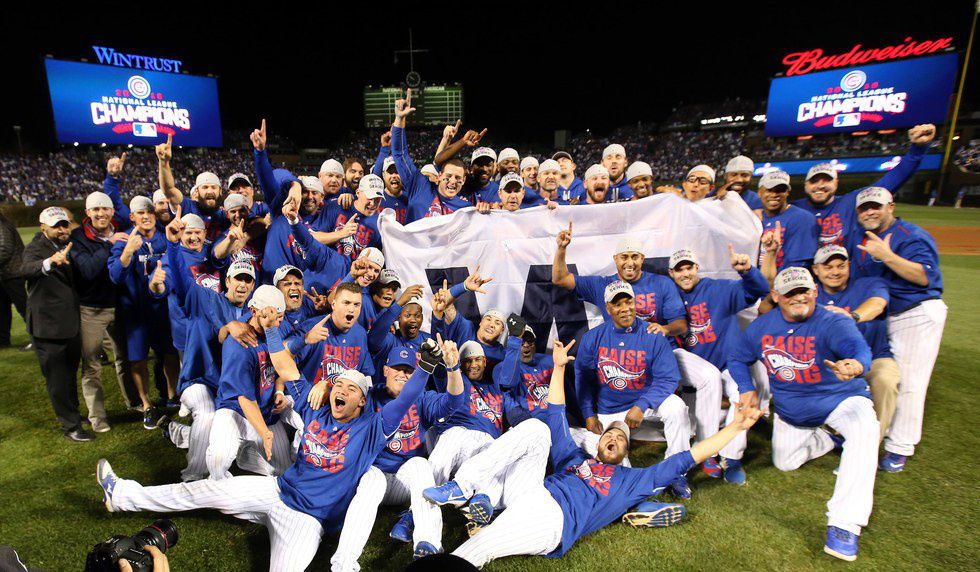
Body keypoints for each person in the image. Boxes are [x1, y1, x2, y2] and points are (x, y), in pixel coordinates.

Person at [96, 306, 451, 572]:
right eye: (338, 385)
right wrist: (270, 331)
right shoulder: (315, 408)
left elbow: (406, 398)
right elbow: (285, 367)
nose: (341, 390)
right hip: (275, 491)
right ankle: (122, 495)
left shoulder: (372, 427)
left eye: (350, 388)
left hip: (305, 520)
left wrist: (425, 368)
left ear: (362, 400)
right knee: (201, 491)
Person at [424, 337, 765, 568]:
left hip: (553, 520)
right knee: (537, 428)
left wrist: (734, 428)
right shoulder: (574, 459)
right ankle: (464, 486)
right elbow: (556, 411)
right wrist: (559, 368)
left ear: (626, 450)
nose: (613, 437)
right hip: (532, 492)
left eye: (620, 437)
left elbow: (687, 457)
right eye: (609, 434)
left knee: (481, 549)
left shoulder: (631, 480)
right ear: (598, 444)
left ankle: (462, 536)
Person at [728, 267, 879, 561]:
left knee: (866, 429)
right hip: (793, 412)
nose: (798, 297)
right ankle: (829, 440)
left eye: (804, 291)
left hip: (840, 399)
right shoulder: (762, 327)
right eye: (791, 293)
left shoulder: (833, 320)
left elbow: (858, 348)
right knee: (785, 463)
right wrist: (746, 388)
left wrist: (855, 365)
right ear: (776, 296)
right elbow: (737, 357)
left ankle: (844, 525)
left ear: (814, 291)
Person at [331, 343, 465, 568]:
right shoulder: (368, 396)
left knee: (420, 464)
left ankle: (429, 546)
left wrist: (453, 369)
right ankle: (344, 562)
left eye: (408, 370)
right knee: (372, 477)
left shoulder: (422, 398)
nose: (402, 374)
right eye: (397, 368)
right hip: (371, 478)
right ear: (385, 370)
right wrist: (324, 386)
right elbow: (340, 396)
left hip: (404, 480)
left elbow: (454, 401)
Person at [851, 187, 945, 473]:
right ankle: (868, 431)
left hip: (915, 313)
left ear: (890, 207)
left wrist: (887, 255)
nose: (870, 211)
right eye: (864, 207)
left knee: (910, 382)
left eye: (876, 206)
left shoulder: (910, 235)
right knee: (877, 374)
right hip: (885, 314)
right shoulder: (862, 236)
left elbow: (925, 276)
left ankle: (899, 447)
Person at [158, 214, 256, 482]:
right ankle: (193, 476)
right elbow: (181, 280)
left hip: (231, 389)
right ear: (227, 281)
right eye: (238, 278)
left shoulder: (254, 315)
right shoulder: (204, 298)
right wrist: (173, 246)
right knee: (208, 412)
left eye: (248, 280)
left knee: (240, 431)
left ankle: (179, 432)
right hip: (199, 381)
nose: (242, 284)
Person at [574, 280, 691, 498]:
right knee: (610, 463)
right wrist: (589, 415)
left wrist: (642, 405)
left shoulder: (652, 334)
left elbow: (669, 378)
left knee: (676, 408)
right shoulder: (593, 338)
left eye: (629, 302)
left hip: (644, 404)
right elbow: (583, 380)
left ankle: (676, 473)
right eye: (617, 304)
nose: (625, 308)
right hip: (610, 410)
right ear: (608, 308)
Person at [666, 247, 770, 483]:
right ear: (671, 273)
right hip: (695, 372)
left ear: (697, 268)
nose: (685, 273)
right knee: (701, 401)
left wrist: (747, 272)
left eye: (689, 267)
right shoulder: (668, 297)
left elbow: (760, 290)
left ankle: (731, 457)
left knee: (743, 395)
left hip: (726, 364)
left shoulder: (718, 289)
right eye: (679, 270)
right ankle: (707, 452)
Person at [792, 124, 936, 249]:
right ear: (806, 185)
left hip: (842, 269)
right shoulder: (793, 208)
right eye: (814, 181)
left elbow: (895, 178)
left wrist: (918, 149)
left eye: (826, 180)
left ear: (836, 183)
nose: (820, 186)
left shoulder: (852, 201)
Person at [206, 285, 294, 480]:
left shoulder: (278, 327)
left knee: (282, 472)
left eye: (280, 317)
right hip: (235, 410)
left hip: (266, 411)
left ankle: (246, 456)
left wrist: (278, 392)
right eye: (270, 316)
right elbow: (244, 398)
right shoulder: (239, 344)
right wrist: (265, 433)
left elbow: (283, 365)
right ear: (254, 311)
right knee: (218, 460)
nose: (276, 322)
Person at [812, 245, 899, 441]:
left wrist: (851, 317)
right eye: (828, 267)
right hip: (833, 363)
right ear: (816, 270)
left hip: (875, 358)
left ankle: (871, 442)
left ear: (849, 266)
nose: (835, 272)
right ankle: (828, 433)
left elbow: (877, 304)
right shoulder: (810, 294)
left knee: (885, 380)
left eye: (841, 266)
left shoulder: (869, 284)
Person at [71, 191, 140, 431]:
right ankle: (97, 417)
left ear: (112, 211)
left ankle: (133, 401)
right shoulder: (78, 237)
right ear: (87, 213)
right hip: (91, 309)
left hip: (120, 305)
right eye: (95, 209)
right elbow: (88, 270)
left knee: (125, 358)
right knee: (91, 365)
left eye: (105, 209)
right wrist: (108, 244)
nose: (101, 213)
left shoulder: (121, 228)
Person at [108, 196, 178, 428]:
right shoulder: (124, 240)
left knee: (169, 354)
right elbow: (115, 277)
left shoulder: (165, 237)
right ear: (132, 217)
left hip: (162, 309)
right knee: (138, 360)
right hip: (135, 312)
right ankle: (147, 404)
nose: (146, 216)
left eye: (149, 212)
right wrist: (128, 252)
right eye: (140, 213)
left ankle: (172, 396)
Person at [21, 207, 90, 441]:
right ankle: (70, 426)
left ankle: (74, 414)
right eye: (55, 226)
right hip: (47, 327)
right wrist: (49, 262)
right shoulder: (36, 248)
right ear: (43, 228)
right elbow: (25, 269)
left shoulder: (68, 244)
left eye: (64, 224)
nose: (61, 229)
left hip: (69, 323)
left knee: (69, 374)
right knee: (57, 379)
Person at [389, 90, 472, 222]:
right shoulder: (420, 185)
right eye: (448, 176)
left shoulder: (466, 209)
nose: (452, 181)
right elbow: (399, 153)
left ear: (464, 180)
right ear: (439, 176)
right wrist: (399, 118)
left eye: (458, 178)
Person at [757, 170, 819, 271]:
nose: (774, 194)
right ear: (759, 193)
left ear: (787, 193)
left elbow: (799, 265)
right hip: (757, 277)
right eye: (769, 190)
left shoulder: (802, 218)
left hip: (787, 278)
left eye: (780, 190)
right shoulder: (755, 218)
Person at [0, 209, 27, 350]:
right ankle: (3, 341)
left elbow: (4, 249)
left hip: (13, 274)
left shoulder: (2, 225)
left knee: (24, 307)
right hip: (6, 274)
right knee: (2, 308)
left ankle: (38, 339)